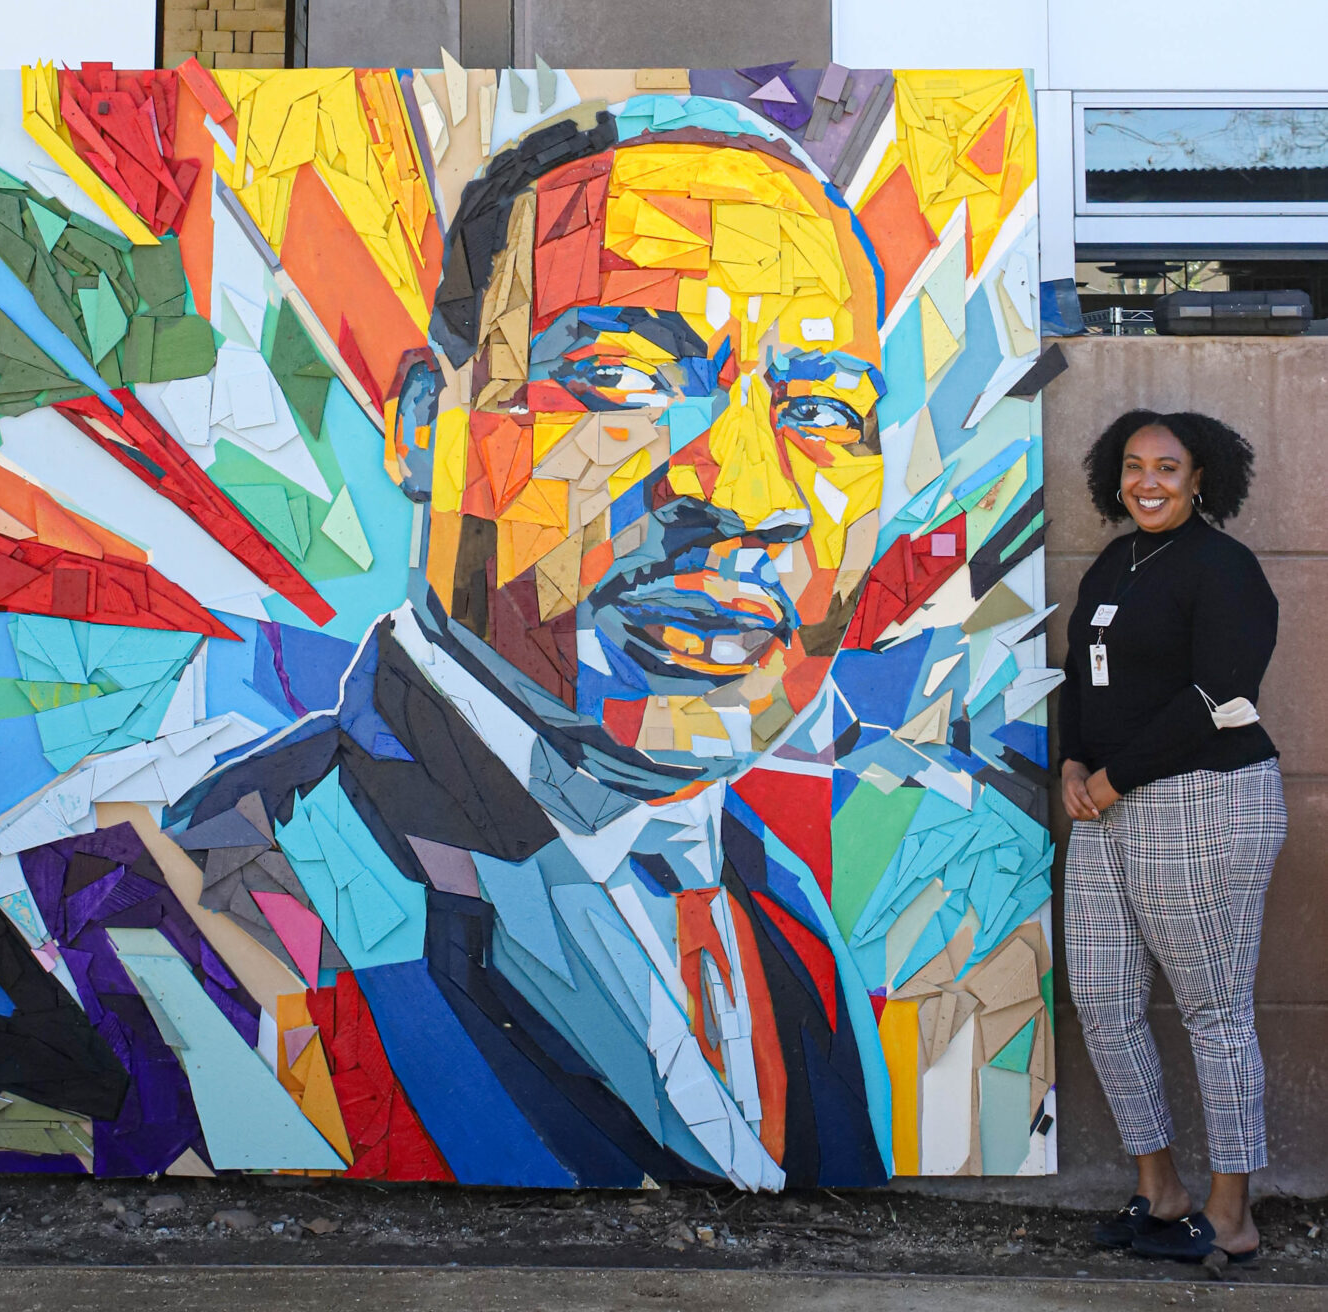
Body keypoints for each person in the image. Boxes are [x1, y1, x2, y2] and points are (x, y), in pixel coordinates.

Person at [161, 111, 899, 1189]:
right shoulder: (222, 892)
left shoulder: (781, 909)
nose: (744, 492)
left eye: (825, 408)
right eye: (624, 379)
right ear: (428, 427)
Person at [1059, 410, 1284, 1264]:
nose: (1146, 482)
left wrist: (1113, 779)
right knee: (1105, 1004)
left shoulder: (1224, 568)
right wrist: (1075, 763)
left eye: (1166, 467)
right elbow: (1084, 673)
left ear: (1200, 480)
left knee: (1213, 1010)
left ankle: (1232, 1214)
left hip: (1205, 801)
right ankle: (1161, 1192)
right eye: (1132, 466)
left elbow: (1219, 697)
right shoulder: (1116, 561)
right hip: (1107, 807)